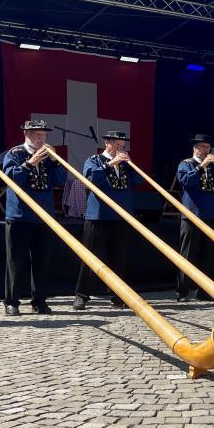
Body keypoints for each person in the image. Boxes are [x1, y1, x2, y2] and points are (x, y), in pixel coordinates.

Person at [1, 119, 66, 316]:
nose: (41, 138)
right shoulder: (15, 154)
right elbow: (12, 179)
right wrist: (30, 163)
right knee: (16, 261)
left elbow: (61, 179)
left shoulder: (49, 157)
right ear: (26, 135)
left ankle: (39, 300)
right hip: (20, 215)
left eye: (44, 135)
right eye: (37, 134)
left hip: (44, 215)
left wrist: (55, 161)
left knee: (42, 260)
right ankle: (11, 301)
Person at [73, 131, 144, 310]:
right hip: (99, 216)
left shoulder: (126, 164)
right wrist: (111, 164)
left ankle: (117, 295)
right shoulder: (94, 160)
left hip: (122, 216)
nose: (121, 149)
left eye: (123, 146)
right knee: (91, 257)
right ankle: (82, 295)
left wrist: (130, 165)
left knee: (118, 257)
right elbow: (90, 179)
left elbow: (139, 181)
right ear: (107, 144)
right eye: (117, 145)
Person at [176, 134, 214, 301]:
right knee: (188, 252)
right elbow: (186, 181)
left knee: (207, 253)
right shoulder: (186, 164)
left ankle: (203, 290)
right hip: (192, 215)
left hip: (211, 214)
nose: (205, 150)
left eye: (207, 147)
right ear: (194, 148)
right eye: (202, 147)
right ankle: (183, 290)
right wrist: (202, 165)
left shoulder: (213, 166)